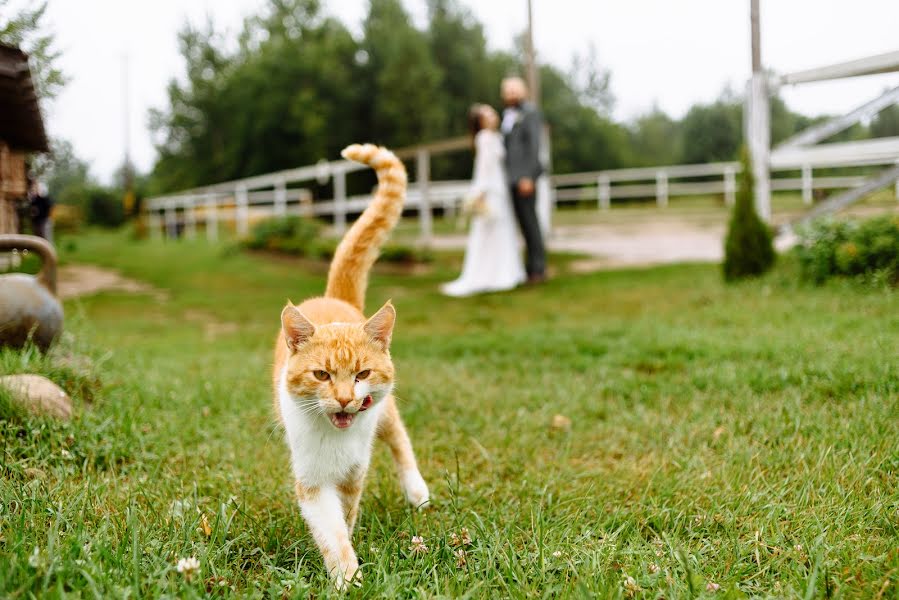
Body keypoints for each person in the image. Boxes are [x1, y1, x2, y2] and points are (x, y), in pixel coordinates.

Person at [440, 104, 526, 297]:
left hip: (500, 189)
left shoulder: (495, 136)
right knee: (490, 233)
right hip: (491, 191)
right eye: (486, 114)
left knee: (502, 232)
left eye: (491, 111)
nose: (491, 115)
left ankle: (505, 272)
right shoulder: (484, 138)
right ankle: (491, 275)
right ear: (480, 121)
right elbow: (483, 168)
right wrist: (480, 192)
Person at [501, 76, 546, 284]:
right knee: (522, 225)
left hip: (525, 179)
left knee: (531, 224)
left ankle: (538, 269)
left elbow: (534, 146)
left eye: (514, 90)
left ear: (523, 91)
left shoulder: (530, 112)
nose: (511, 94)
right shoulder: (507, 116)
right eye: (507, 91)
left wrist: (529, 176)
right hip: (511, 179)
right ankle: (529, 268)